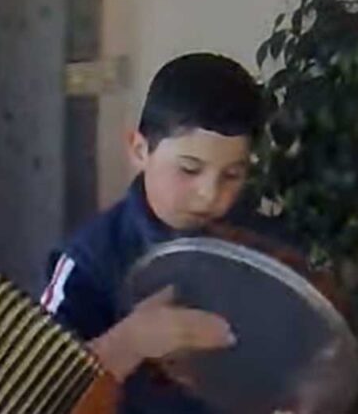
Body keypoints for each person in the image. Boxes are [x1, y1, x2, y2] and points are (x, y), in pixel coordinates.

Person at [42, 53, 263, 413]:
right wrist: (131, 341)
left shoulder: (253, 243)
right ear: (139, 149)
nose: (210, 195)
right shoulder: (89, 259)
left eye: (232, 175)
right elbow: (43, 393)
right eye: (190, 169)